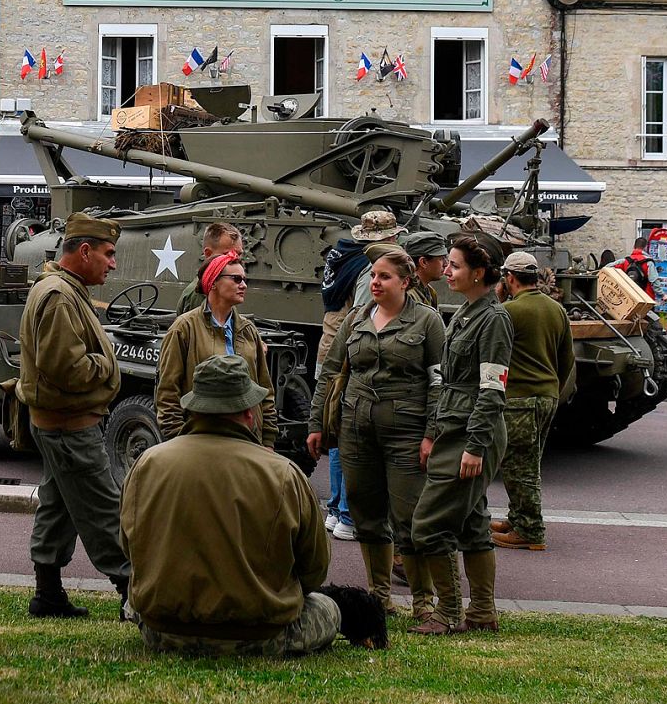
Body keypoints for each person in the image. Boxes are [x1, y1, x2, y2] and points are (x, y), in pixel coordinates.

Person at [123, 355, 387, 655]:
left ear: (194, 406)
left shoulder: (147, 464)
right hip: (258, 634)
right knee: (326, 606)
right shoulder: (284, 474)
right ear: (250, 412)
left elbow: (129, 545)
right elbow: (314, 569)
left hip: (162, 630)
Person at [306, 249, 446, 620]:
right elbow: (331, 372)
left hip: (407, 432)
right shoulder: (356, 320)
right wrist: (316, 424)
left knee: (410, 518)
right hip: (356, 431)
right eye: (373, 277)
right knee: (366, 515)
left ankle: (423, 603)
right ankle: (379, 599)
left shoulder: (427, 322)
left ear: (406, 281)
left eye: (384, 277)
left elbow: (438, 381)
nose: (375, 283)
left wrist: (431, 433)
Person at [17, 213, 130, 620]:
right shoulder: (61, 296)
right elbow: (66, 367)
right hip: (71, 427)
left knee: (58, 506)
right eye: (108, 253)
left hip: (56, 424)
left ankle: (47, 595)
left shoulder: (61, 289)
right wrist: (106, 366)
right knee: (106, 510)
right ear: (84, 251)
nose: (112, 263)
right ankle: (133, 593)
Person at [410, 233, 512, 635]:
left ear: (480, 273)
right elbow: (447, 381)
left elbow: (493, 388)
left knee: (428, 525)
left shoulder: (494, 319)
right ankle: (482, 613)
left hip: (472, 431)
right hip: (455, 426)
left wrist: (476, 446)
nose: (446, 270)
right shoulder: (467, 313)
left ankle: (448, 612)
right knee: (472, 522)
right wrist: (435, 431)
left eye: (455, 265)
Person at [321, 211, 407, 543]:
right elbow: (362, 318)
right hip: (346, 359)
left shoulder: (342, 255)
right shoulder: (368, 271)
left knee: (337, 432)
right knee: (349, 436)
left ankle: (335, 510)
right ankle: (346, 514)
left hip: (330, 348)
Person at [492, 252, 575, 552]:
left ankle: (529, 529)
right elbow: (567, 359)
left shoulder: (510, 311)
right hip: (546, 396)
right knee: (530, 461)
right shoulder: (556, 309)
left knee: (518, 467)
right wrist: (552, 387)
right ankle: (517, 518)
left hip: (519, 398)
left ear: (509, 278)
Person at [155, 254, 277, 445]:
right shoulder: (184, 328)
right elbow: (167, 393)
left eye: (245, 280)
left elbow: (265, 390)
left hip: (249, 440)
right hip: (200, 441)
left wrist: (268, 441)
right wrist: (178, 440)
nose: (243, 285)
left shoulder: (248, 330)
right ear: (213, 283)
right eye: (236, 279)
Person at [176, 222, 244, 315]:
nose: (235, 259)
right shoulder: (201, 294)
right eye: (226, 255)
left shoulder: (223, 289)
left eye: (238, 254)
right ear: (208, 254)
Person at [404, 231, 449, 309]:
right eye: (441, 259)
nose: (446, 264)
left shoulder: (429, 292)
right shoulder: (408, 296)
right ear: (423, 262)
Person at [612, 237, 657, 302]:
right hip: (646, 298)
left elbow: (608, 267)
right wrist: (662, 294)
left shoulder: (625, 260)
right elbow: (654, 281)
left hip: (628, 297)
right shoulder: (649, 262)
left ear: (634, 246)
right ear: (645, 247)